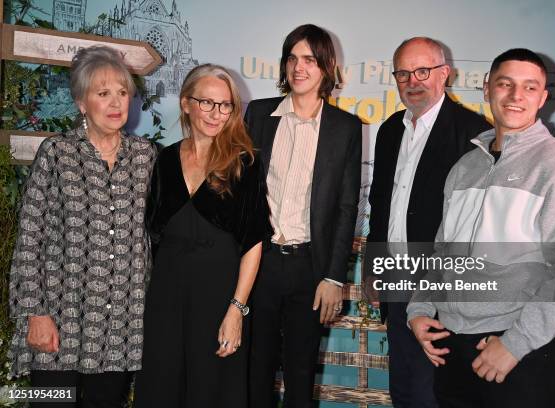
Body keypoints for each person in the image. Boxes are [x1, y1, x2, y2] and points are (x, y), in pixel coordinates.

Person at [407, 48, 555, 407]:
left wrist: (514, 344)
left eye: (529, 87)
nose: (515, 96)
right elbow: (441, 251)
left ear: (542, 98)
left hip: (515, 352)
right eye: (505, 84)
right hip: (451, 345)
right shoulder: (465, 166)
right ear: (487, 88)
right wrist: (419, 309)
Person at [8, 46, 157, 407]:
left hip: (119, 327)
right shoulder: (56, 153)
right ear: (81, 102)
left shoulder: (146, 157)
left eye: (122, 93)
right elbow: (29, 239)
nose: (115, 102)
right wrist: (35, 313)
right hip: (58, 321)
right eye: (102, 93)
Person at [135, 64, 270, 408]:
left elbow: (253, 243)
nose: (216, 113)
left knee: (213, 390)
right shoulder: (164, 159)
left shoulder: (244, 163)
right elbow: (151, 233)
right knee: (162, 386)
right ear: (185, 103)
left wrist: (236, 310)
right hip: (167, 294)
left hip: (219, 296)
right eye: (207, 103)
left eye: (225, 105)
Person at [365, 37, 490, 407]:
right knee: (404, 389)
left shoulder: (472, 133)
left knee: (434, 392)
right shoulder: (389, 131)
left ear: (444, 75)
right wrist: (375, 265)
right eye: (403, 73)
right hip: (396, 279)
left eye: (423, 70)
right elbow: (380, 205)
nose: (412, 81)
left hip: (444, 289)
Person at [245, 24, 362, 408]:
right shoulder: (260, 114)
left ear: (326, 68)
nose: (299, 67)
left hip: (309, 268)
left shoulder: (344, 128)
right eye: (292, 58)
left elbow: (347, 207)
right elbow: (242, 193)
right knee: (254, 370)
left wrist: (333, 276)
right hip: (259, 263)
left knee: (299, 375)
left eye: (309, 60)